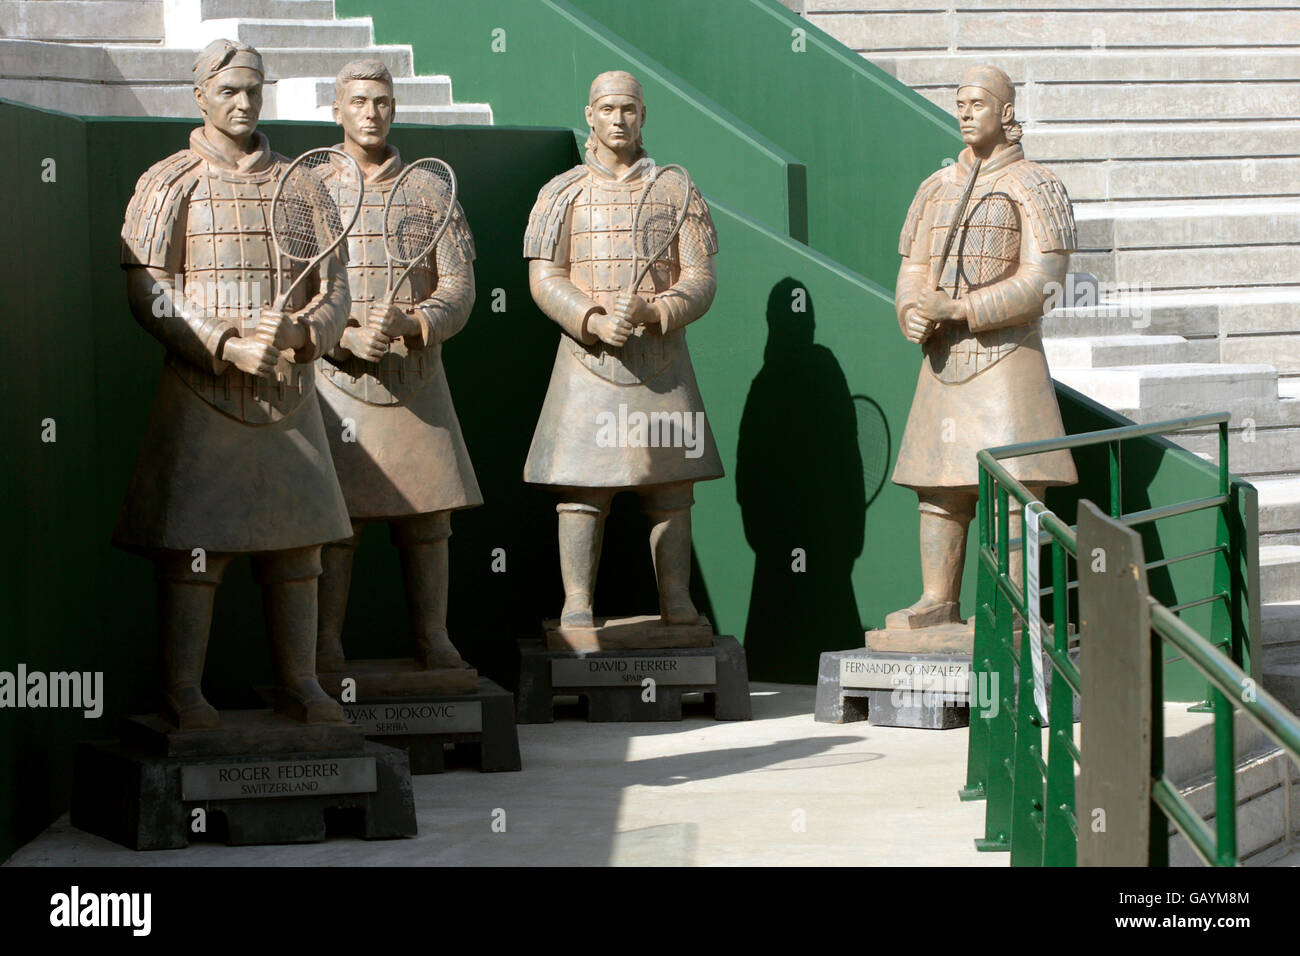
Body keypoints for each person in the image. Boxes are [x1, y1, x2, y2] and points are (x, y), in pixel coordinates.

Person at [115, 39, 352, 727]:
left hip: (287, 392)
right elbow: (149, 289)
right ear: (200, 97)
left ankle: (301, 682)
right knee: (197, 550)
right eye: (229, 92)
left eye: (254, 90)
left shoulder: (303, 188)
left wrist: (304, 335)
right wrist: (222, 344)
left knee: (298, 545)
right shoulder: (169, 181)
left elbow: (334, 290)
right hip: (202, 392)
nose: (244, 103)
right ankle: (184, 692)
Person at [522, 70, 722, 629]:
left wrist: (658, 312)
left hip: (660, 363)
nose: (618, 119)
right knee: (584, 488)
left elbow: (699, 278)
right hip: (590, 364)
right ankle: (578, 603)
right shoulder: (562, 192)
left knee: (671, 488)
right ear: (590, 114)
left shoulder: (676, 191)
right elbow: (545, 276)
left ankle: (676, 601)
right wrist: (590, 318)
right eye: (607, 108)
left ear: (643, 114)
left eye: (629, 109)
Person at [889, 64, 1077, 629]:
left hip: (1006, 361)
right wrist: (912, 311)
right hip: (945, 360)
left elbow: (1046, 280)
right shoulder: (936, 186)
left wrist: (964, 309)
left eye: (977, 103)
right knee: (940, 488)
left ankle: (1015, 608)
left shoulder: (1037, 184)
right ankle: (937, 599)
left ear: (1006, 111)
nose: (966, 113)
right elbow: (912, 269)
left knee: (1017, 490)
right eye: (960, 103)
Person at [313, 59, 481, 673]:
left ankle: (433, 639)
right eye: (358, 101)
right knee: (338, 522)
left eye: (381, 100)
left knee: (429, 516)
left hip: (416, 378)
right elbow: (294, 285)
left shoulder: (429, 191)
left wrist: (414, 322)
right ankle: (325, 647)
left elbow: (459, 287)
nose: (371, 111)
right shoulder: (311, 190)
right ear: (337, 109)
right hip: (336, 381)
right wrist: (343, 336)